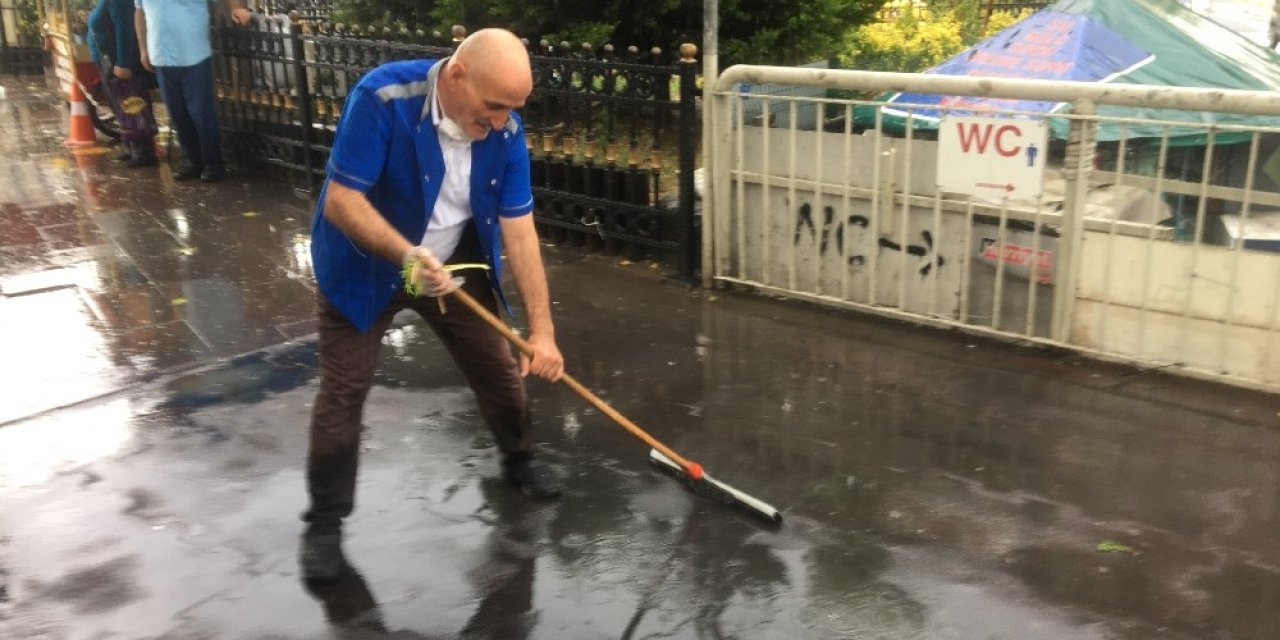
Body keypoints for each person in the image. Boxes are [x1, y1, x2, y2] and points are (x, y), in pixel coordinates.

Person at [301, 28, 565, 583]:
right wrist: (405, 254)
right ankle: (324, 522)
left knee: (498, 370)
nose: (501, 123)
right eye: (494, 107)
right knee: (345, 388)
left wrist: (543, 332)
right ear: (457, 74)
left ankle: (519, 457)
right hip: (366, 265)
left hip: (451, 268)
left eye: (512, 111)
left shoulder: (506, 126)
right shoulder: (382, 98)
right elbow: (343, 201)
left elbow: (520, 232)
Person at [133, 0, 251, 182]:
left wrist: (236, 8)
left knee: (201, 113)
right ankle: (192, 161)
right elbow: (139, 13)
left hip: (194, 57)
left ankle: (213, 164)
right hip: (162, 57)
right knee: (177, 113)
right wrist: (142, 49)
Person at [88, 0, 157, 167]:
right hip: (108, 59)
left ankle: (142, 149)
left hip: (119, 61)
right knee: (121, 105)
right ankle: (131, 145)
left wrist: (123, 62)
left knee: (132, 104)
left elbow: (125, 29)